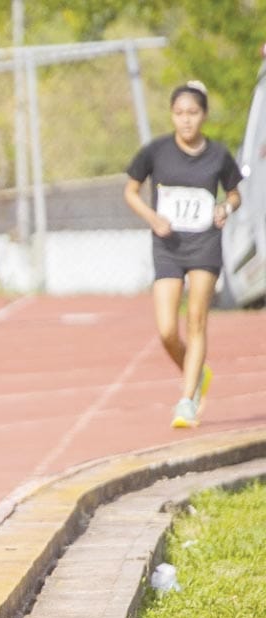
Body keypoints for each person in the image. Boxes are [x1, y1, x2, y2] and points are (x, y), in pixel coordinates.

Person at [124, 80, 242, 428]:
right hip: (168, 246)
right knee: (165, 330)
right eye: (179, 113)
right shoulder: (156, 152)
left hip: (204, 244)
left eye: (192, 113)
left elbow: (235, 194)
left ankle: (186, 401)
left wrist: (225, 208)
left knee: (196, 319)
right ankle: (197, 374)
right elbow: (130, 191)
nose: (186, 120)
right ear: (171, 116)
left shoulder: (219, 155)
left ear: (203, 115)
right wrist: (152, 217)